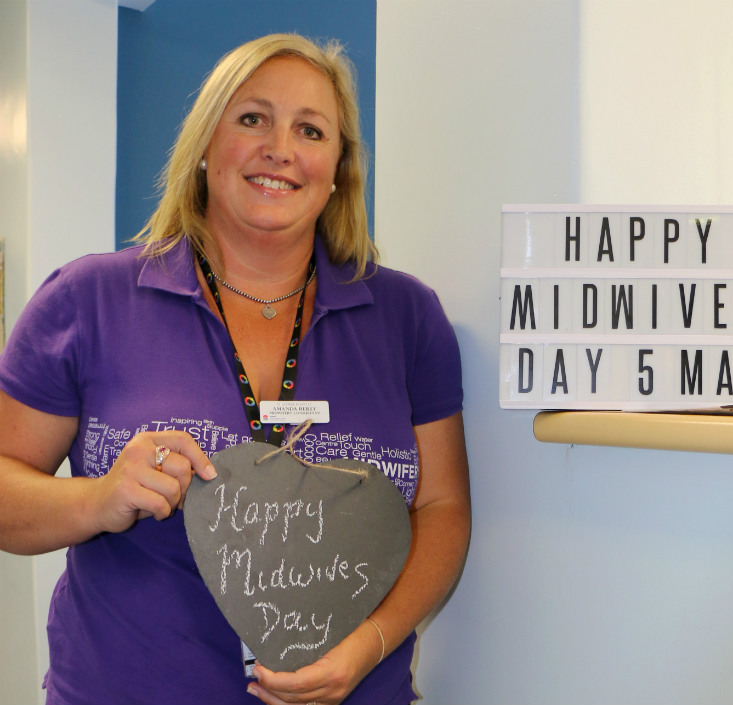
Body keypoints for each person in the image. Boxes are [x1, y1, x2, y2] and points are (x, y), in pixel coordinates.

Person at [0, 33, 470, 705]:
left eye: (311, 130)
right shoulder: (86, 300)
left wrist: (373, 641)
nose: (280, 147)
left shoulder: (407, 317)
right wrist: (99, 498)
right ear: (204, 149)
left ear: (339, 169)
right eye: (252, 118)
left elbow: (443, 506)